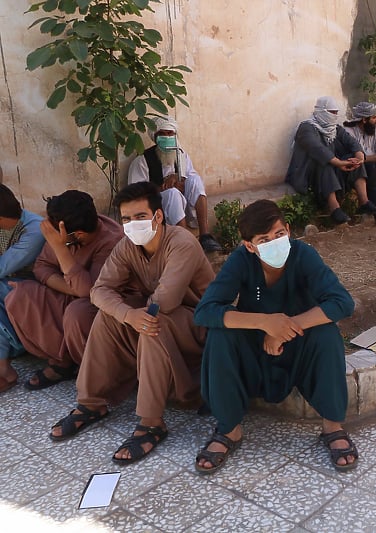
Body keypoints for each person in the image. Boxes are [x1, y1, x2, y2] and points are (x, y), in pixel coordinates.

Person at [48, 182, 215, 464]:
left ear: (158, 216)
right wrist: (126, 314)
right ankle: (91, 403)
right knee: (109, 317)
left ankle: (151, 423)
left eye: (140, 217)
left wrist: (135, 315)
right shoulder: (128, 246)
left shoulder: (181, 242)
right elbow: (99, 291)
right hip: (162, 317)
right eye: (126, 219)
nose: (132, 224)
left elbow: (166, 300)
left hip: (199, 326)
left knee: (151, 320)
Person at [193, 200, 357, 474]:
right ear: (249, 245)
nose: (274, 243)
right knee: (219, 335)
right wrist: (265, 323)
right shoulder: (240, 261)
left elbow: (342, 302)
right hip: (254, 353)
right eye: (263, 240)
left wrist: (284, 328)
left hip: (298, 348)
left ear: (289, 230)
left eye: (279, 234)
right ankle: (229, 430)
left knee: (327, 332)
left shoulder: (303, 255)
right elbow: (205, 312)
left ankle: (333, 426)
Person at [5, 191, 123, 391]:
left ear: (78, 235)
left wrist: (61, 249)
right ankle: (62, 361)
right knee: (19, 295)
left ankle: (74, 363)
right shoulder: (66, 231)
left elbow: (90, 292)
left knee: (77, 310)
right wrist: (71, 287)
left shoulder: (111, 241)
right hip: (69, 292)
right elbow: (41, 267)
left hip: (97, 306)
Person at [128, 115, 223, 252]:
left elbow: (190, 177)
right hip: (157, 207)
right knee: (172, 194)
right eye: (162, 134)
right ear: (155, 137)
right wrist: (161, 188)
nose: (167, 137)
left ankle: (205, 236)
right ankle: (185, 241)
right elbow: (136, 194)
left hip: (183, 203)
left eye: (170, 133)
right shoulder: (142, 161)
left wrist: (180, 180)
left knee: (195, 180)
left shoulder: (181, 155)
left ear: (175, 135)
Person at [285, 96, 376, 225]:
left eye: (336, 112)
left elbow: (350, 141)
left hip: (332, 170)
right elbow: (317, 149)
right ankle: (334, 208)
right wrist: (338, 162)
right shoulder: (306, 128)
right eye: (332, 112)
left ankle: (364, 202)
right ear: (321, 111)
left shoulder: (334, 129)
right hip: (307, 174)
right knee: (323, 162)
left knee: (353, 159)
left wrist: (359, 155)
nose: (335, 115)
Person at [0, 184, 45, 393]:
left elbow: (3, 267)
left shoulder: (33, 229)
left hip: (32, 288)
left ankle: (4, 369)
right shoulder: (7, 224)